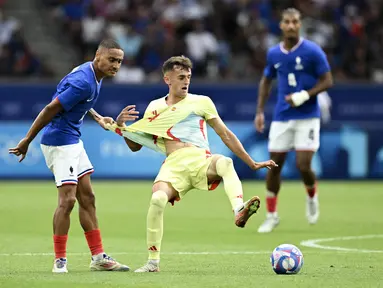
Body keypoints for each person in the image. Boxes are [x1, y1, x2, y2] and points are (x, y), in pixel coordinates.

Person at [109, 55, 278, 272]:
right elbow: (136, 145)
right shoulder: (154, 107)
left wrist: (252, 163)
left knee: (225, 162)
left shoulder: (202, 102)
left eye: (188, 76)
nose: (186, 81)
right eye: (180, 77)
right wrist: (123, 128)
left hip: (200, 160)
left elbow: (225, 134)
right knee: (158, 199)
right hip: (173, 165)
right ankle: (153, 262)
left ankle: (238, 209)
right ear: (167, 80)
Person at [8, 39, 137, 273]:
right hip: (59, 142)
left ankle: (98, 257)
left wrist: (97, 117)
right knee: (68, 201)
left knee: (88, 198)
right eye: (112, 59)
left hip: (73, 140)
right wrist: (27, 140)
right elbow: (50, 108)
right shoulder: (83, 82)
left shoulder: (92, 75)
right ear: (98, 55)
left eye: (119, 61)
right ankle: (60, 260)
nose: (116, 65)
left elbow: (79, 102)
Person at [254, 8, 334, 233]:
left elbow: (328, 81)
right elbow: (266, 81)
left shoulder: (312, 51)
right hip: (282, 116)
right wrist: (260, 111)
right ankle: (271, 215)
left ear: (300, 25)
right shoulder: (274, 54)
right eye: (287, 22)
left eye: (295, 22)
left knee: (303, 165)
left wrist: (305, 95)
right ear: (281, 25)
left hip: (307, 116)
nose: (291, 25)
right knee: (273, 167)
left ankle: (311, 196)